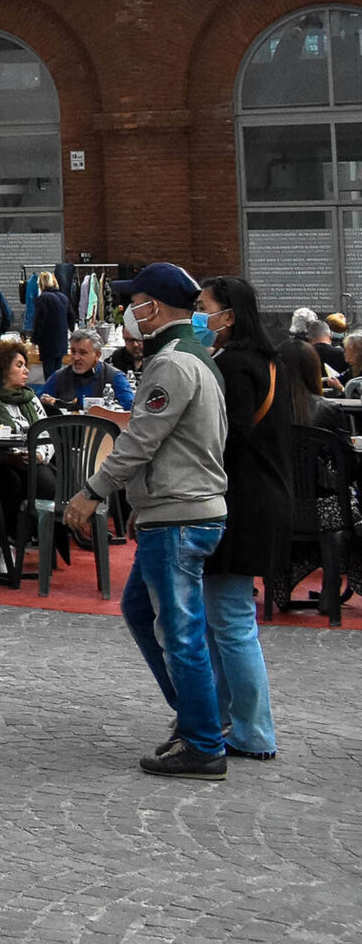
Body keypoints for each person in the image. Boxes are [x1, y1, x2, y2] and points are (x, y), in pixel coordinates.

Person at [63, 262, 233, 780]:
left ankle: (203, 739)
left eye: (131, 302)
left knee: (178, 630)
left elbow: (140, 441)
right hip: (176, 508)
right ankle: (198, 718)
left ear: (151, 308)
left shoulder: (173, 364)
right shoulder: (193, 358)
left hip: (180, 513)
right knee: (142, 609)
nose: (125, 312)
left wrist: (93, 491)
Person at [196, 275, 287, 762]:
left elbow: (226, 439)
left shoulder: (231, 366)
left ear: (228, 316)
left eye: (204, 306)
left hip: (238, 504)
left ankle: (251, 729)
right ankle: (229, 716)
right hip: (265, 499)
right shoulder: (269, 362)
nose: (198, 313)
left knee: (230, 621)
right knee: (224, 618)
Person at [0, 341, 58, 571]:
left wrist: (37, 455)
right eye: (19, 365)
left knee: (45, 483)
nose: (26, 371)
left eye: (25, 365)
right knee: (8, 481)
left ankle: (14, 543)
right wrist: (5, 457)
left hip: (31, 462)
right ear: (2, 369)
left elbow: (47, 434)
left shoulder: (31, 399)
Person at [45, 328, 134, 410]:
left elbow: (129, 407)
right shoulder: (59, 377)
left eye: (83, 353)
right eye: (73, 351)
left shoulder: (114, 377)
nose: (76, 358)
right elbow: (39, 404)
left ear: (97, 355)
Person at [28, 272, 72, 374]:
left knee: (49, 373)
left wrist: (34, 341)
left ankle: (49, 390)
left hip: (48, 343)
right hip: (62, 341)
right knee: (57, 373)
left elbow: (39, 321)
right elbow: (71, 317)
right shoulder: (63, 297)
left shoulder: (43, 298)